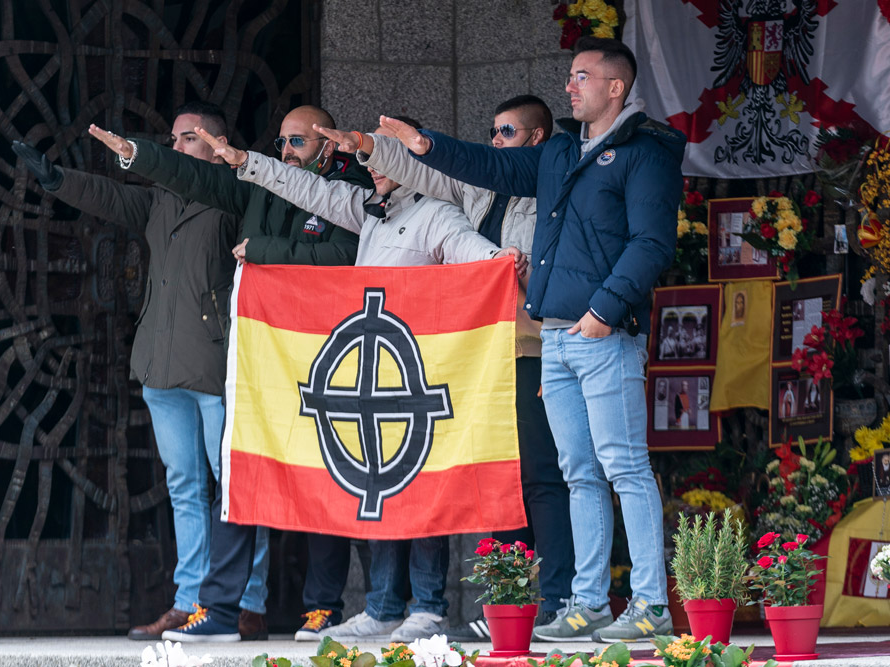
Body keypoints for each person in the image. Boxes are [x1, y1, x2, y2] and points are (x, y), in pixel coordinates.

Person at [380, 36, 685, 642]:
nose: (569, 85)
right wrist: (424, 145)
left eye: (581, 76)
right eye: (570, 76)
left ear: (615, 87)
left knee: (625, 467)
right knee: (578, 473)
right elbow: (490, 166)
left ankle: (651, 605)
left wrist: (603, 310)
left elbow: (652, 244)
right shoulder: (561, 153)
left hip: (602, 335)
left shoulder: (644, 152)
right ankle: (590, 601)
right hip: (555, 337)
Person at [190, 116, 526, 643]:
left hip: (416, 379)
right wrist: (249, 164)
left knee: (422, 496)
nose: (372, 170)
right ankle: (384, 606)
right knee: (383, 496)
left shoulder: (438, 215)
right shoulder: (370, 212)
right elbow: (312, 189)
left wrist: (499, 260)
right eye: (371, 161)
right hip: (373, 378)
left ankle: (428, 607)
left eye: (383, 160)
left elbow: (471, 253)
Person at [87, 105, 373, 643]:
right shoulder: (256, 184)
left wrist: (263, 250)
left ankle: (328, 604)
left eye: (298, 143)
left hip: (329, 355)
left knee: (326, 481)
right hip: (265, 352)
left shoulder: (350, 188)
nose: (286, 152)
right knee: (236, 482)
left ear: (329, 145)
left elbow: (342, 253)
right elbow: (194, 176)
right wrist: (134, 154)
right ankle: (218, 608)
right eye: (281, 142)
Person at [315, 95, 575, 637]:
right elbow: (420, 166)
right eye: (492, 132)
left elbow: (519, 260)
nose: (495, 141)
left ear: (536, 139)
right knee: (496, 481)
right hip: (482, 354)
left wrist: (509, 270)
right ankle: (507, 606)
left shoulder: (557, 189)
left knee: (541, 478)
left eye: (506, 132)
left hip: (534, 346)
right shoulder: (477, 189)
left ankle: (557, 599)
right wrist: (371, 147)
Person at [11, 102, 270, 641]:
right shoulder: (160, 200)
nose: (176, 148)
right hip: (160, 363)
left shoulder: (236, 193)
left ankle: (247, 600)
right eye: (172, 141)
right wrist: (57, 179)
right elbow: (108, 197)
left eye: (187, 140)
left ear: (217, 145)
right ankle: (191, 599)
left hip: (218, 363)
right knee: (184, 486)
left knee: (237, 485)